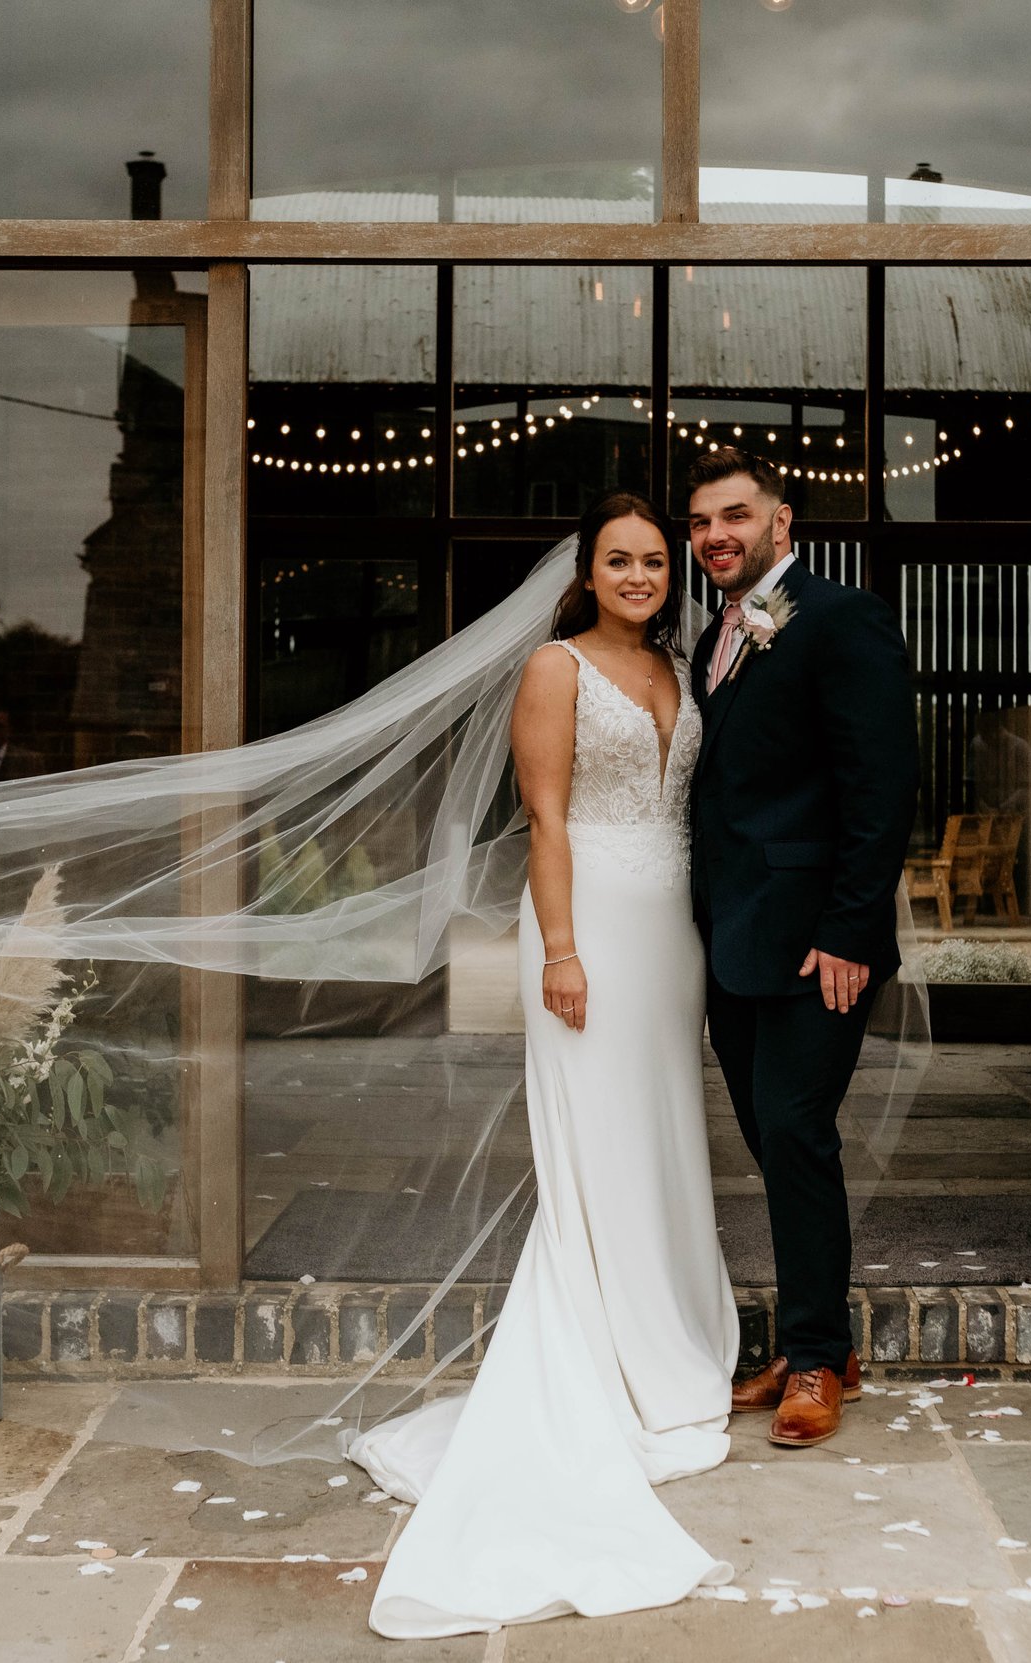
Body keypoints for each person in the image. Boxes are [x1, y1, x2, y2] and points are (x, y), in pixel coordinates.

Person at [343, 492, 740, 1637]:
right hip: (589, 925)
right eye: (619, 559)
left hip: (671, 928)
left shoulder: (681, 665)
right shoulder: (557, 669)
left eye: (654, 561)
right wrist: (560, 951)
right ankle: (601, 1355)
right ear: (585, 571)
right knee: (599, 1137)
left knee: (663, 1126)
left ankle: (666, 1338)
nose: (639, 575)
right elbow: (546, 822)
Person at [686, 448, 919, 1448]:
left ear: (784, 525)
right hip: (735, 938)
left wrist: (849, 930)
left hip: (815, 942)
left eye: (735, 515)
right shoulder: (722, 632)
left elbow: (881, 783)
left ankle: (819, 1355)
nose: (714, 536)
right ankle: (815, 1340)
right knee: (773, 1137)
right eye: (700, 522)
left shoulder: (838, 616)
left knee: (794, 1128)